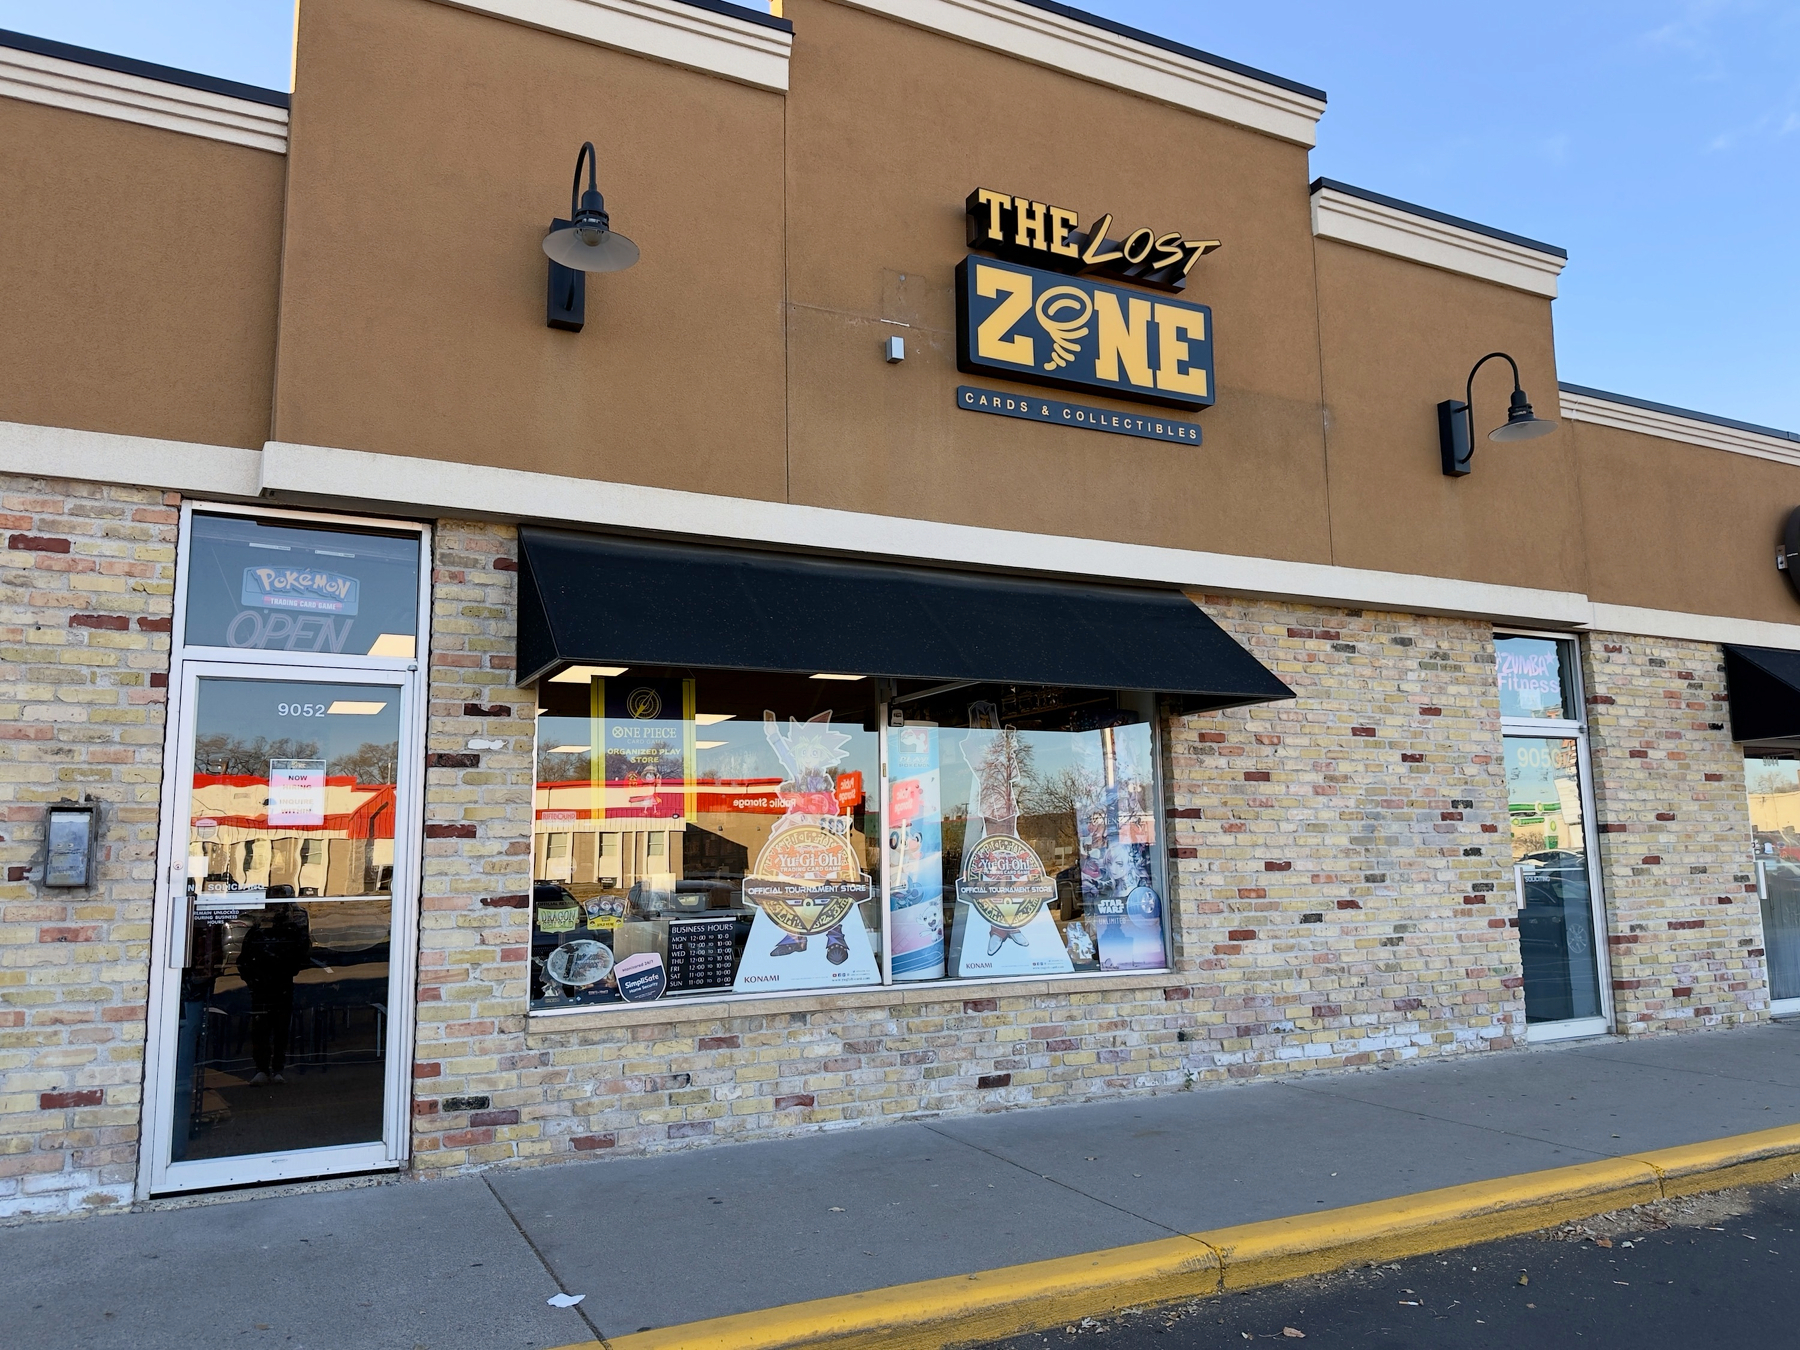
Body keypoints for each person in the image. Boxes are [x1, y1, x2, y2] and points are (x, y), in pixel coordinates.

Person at [238, 902, 312, 1083]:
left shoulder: (291, 932)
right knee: (262, 1028)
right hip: (262, 986)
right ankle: (263, 1068)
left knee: (280, 1028)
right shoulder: (257, 933)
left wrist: (289, 968)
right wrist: (252, 980)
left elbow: (303, 955)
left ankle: (276, 1068)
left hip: (281, 984)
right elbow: (243, 961)